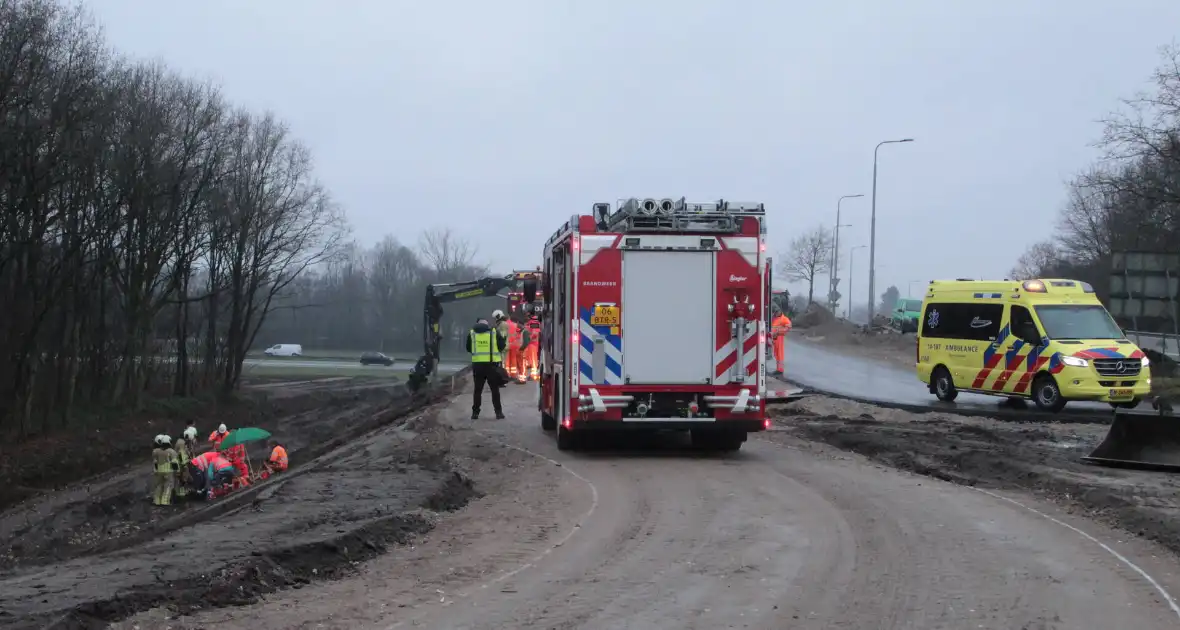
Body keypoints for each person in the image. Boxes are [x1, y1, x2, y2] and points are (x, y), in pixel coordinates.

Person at [465, 317, 506, 419]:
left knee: (477, 390)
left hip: (478, 365)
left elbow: (468, 348)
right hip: (491, 365)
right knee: (494, 390)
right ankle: (498, 412)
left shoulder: (472, 333)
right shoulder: (493, 332)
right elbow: (502, 345)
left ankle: (475, 413)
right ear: (487, 324)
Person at [151, 435, 179, 506]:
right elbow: (174, 463)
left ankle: (156, 501)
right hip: (168, 471)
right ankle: (165, 501)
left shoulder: (156, 451)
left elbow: (155, 462)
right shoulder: (171, 452)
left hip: (159, 471)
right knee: (168, 486)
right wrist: (177, 471)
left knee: (158, 486)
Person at [770, 308, 792, 375]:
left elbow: (789, 327)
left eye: (777, 312)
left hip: (779, 337)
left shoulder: (784, 319)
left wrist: (780, 331)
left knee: (780, 354)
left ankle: (780, 370)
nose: (776, 313)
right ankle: (778, 369)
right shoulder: (774, 319)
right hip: (774, 338)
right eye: (775, 312)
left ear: (780, 312)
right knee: (776, 354)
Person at [173, 434, 193, 498]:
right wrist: (184, 464)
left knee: (180, 478)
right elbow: (181, 454)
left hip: (177, 462)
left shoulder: (179, 441)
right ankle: (180, 493)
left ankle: (179, 492)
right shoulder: (182, 443)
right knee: (183, 478)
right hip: (180, 463)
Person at [504, 316, 522, 382]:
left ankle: (507, 375)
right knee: (513, 360)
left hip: (506, 345)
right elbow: (520, 331)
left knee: (507, 361)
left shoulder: (503, 325)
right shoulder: (515, 325)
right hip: (514, 345)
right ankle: (513, 375)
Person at [524, 314, 541, 381]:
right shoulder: (531, 322)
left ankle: (533, 375)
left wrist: (528, 339)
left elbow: (535, 334)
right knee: (532, 360)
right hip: (532, 344)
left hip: (533, 344)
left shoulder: (534, 322)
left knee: (534, 360)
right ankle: (533, 374)